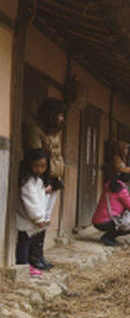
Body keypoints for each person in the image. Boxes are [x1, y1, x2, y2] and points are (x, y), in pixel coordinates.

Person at [22, 97, 65, 234]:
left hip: (53, 179)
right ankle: (34, 254)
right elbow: (36, 159)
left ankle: (38, 252)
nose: (62, 118)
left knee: (46, 217)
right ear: (51, 115)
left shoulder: (52, 132)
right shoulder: (35, 131)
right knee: (38, 219)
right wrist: (45, 181)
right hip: (43, 181)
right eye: (60, 115)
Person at [16, 148, 53, 276]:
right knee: (24, 242)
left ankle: (27, 263)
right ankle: (23, 264)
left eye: (43, 166)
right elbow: (31, 201)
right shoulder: (28, 181)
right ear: (29, 164)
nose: (39, 169)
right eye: (36, 166)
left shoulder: (37, 180)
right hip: (27, 218)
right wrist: (38, 218)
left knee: (28, 241)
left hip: (30, 218)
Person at [92, 174, 130, 247]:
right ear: (128, 182)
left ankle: (109, 237)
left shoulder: (109, 185)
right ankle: (107, 237)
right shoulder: (122, 190)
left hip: (97, 220)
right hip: (107, 221)